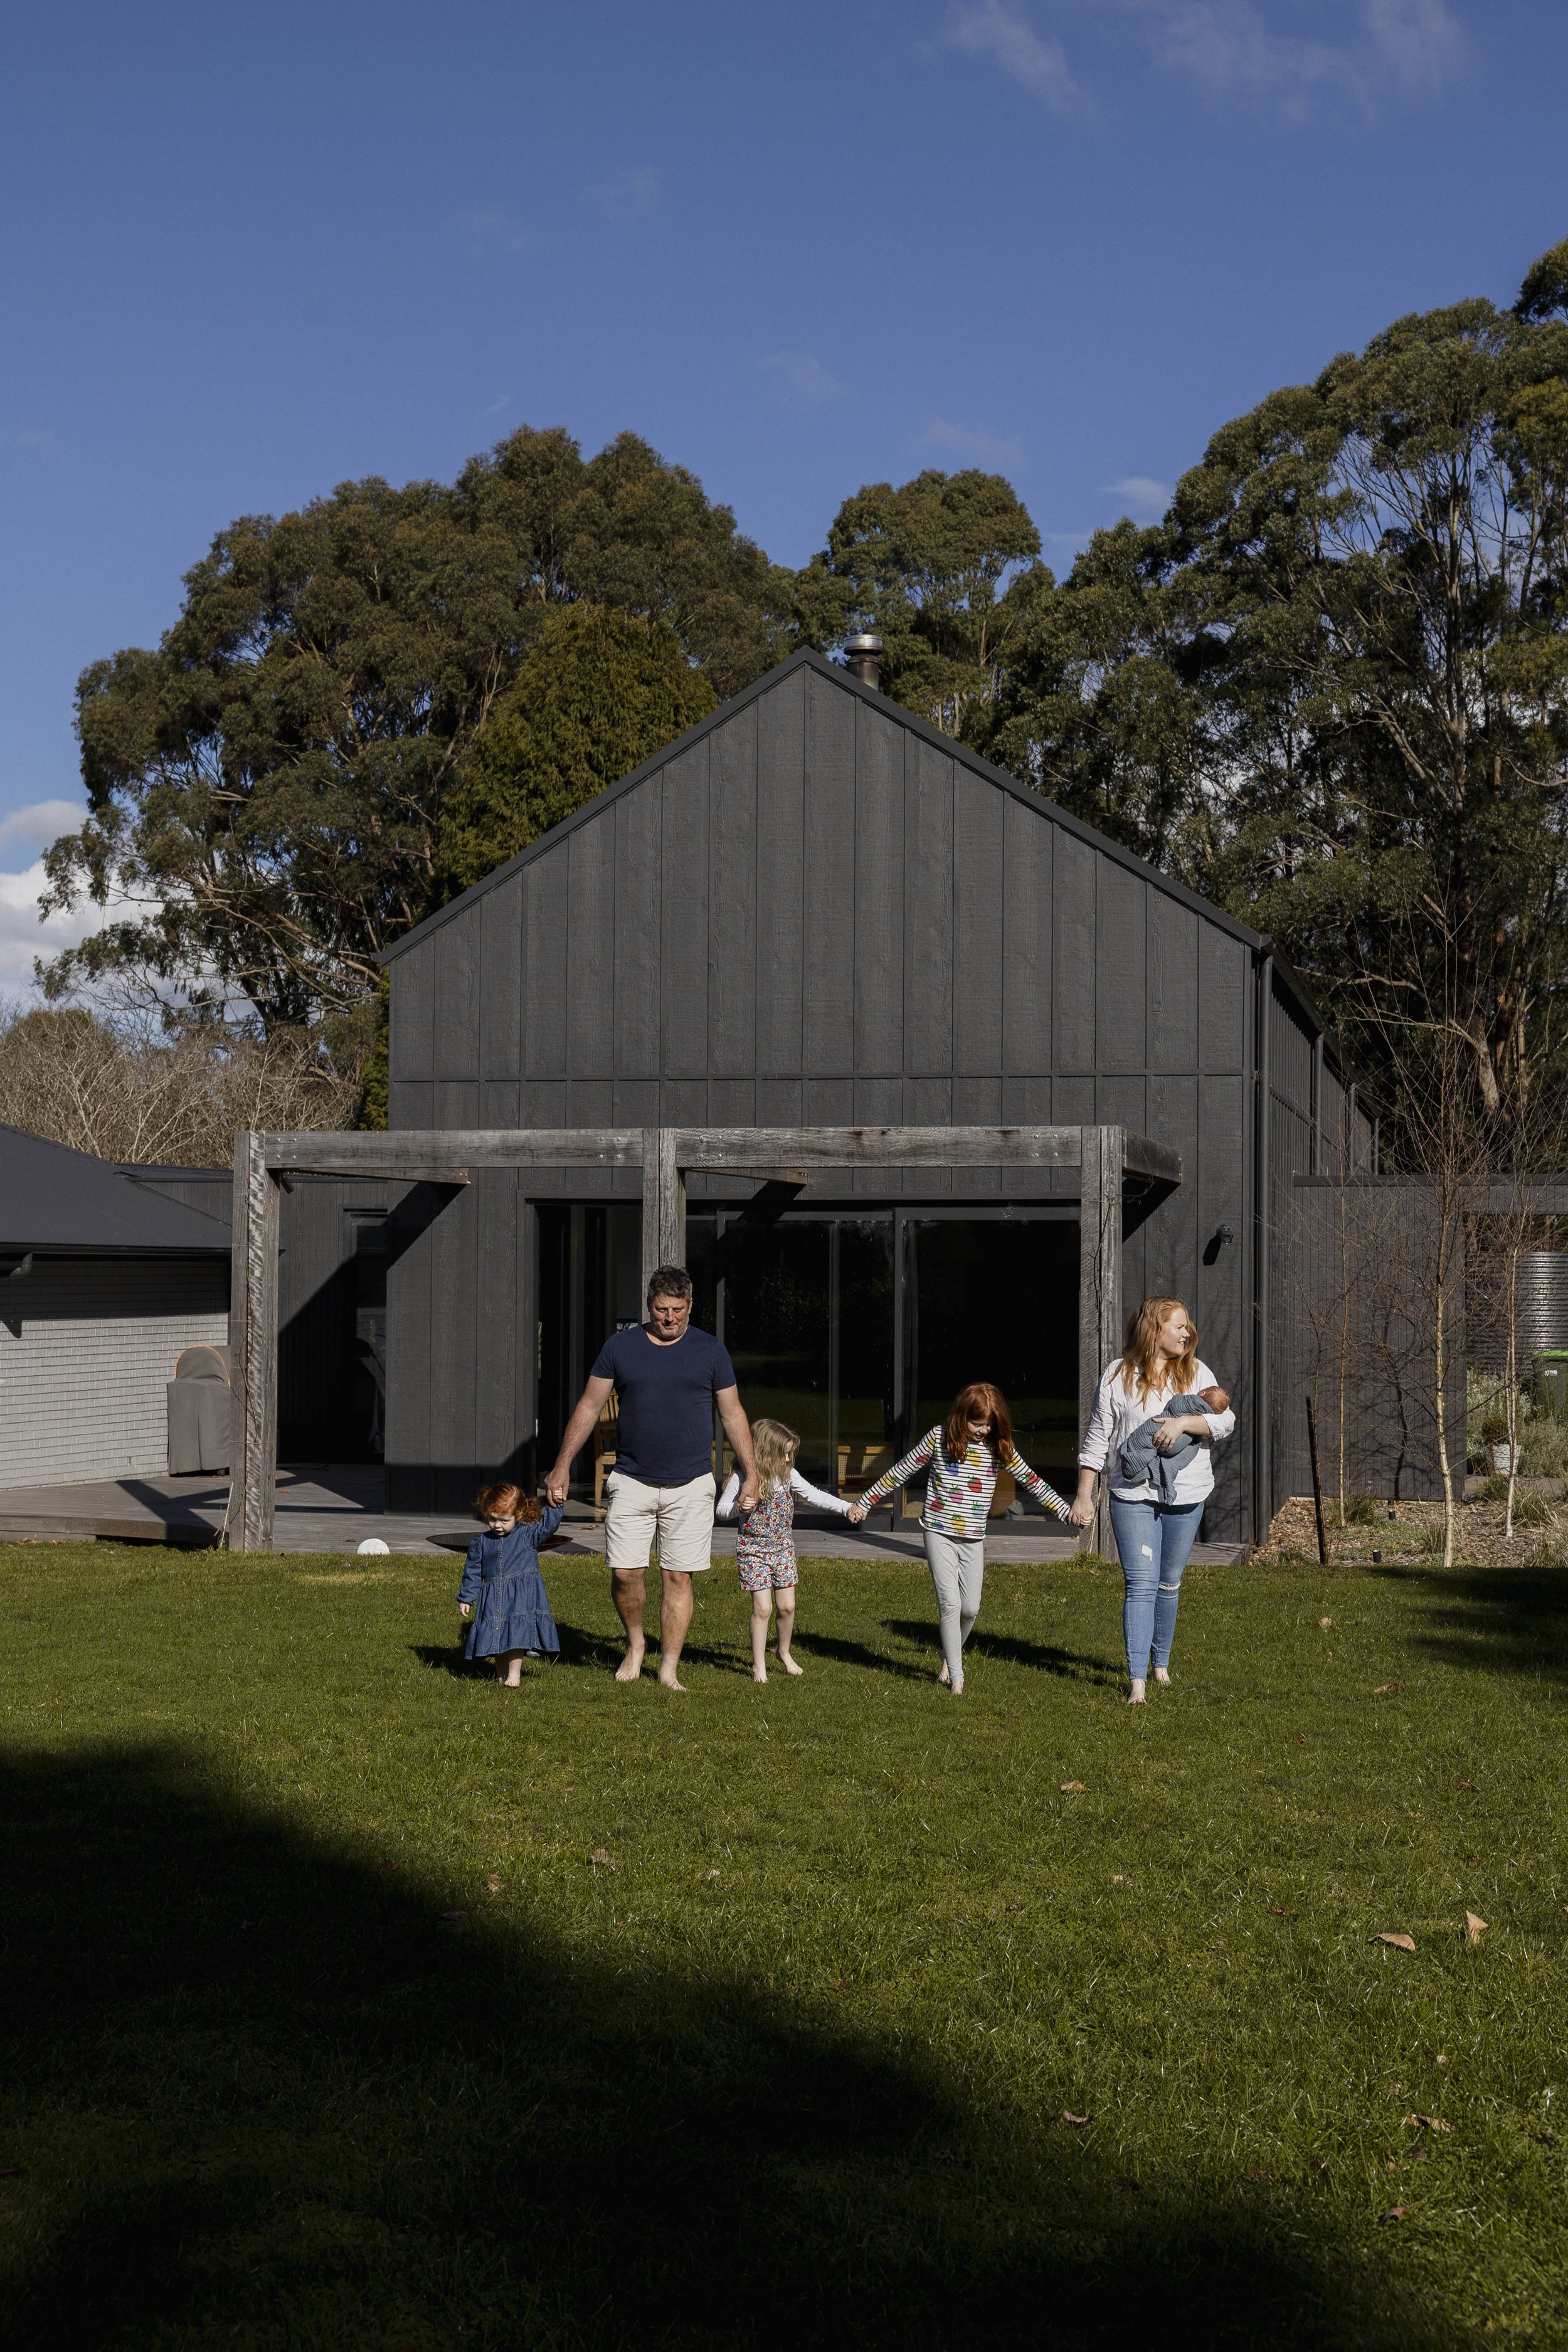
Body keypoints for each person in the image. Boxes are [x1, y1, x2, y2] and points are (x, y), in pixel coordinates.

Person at [544, 1264, 758, 1692]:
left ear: (691, 1305)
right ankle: (637, 1644)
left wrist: (750, 1473)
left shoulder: (711, 1351)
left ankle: (669, 1668)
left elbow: (732, 1413)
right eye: (662, 1309)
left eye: (678, 1310)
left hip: (692, 1483)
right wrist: (562, 1464)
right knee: (625, 1574)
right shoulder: (620, 1347)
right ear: (650, 1306)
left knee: (678, 1577)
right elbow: (589, 1406)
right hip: (632, 1480)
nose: (670, 1318)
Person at [1068, 1297, 1235, 1705]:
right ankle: (1137, 1682)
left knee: (1168, 1582)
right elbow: (1096, 1439)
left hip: (1187, 1494)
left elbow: (1225, 1420)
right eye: (1179, 1326)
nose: (1187, 1332)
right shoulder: (1117, 1375)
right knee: (1141, 1584)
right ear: (1154, 1330)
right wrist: (1084, 1495)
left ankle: (1161, 1664)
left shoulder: (1196, 1372)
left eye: (1187, 1326)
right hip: (1131, 1495)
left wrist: (1182, 1423)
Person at [857, 1384, 1072, 1696]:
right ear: (961, 1416)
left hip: (973, 1539)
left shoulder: (1000, 1449)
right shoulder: (938, 1439)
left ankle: (949, 1650)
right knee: (950, 1604)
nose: (983, 1431)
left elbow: (1033, 1482)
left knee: (970, 1608)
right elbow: (901, 1471)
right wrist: (864, 1502)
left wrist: (1066, 1513)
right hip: (938, 1532)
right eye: (977, 1423)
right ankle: (956, 1676)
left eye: (989, 1425)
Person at [716, 1416, 859, 1682]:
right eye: (785, 1453)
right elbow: (721, 1510)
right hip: (753, 1549)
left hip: (783, 1549)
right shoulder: (743, 1476)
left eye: (791, 1454)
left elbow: (814, 1495)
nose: (789, 1459)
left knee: (787, 1607)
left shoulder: (788, 1475)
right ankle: (759, 1665)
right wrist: (739, 1507)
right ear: (767, 1452)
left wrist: (846, 1507)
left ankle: (783, 1651)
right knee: (763, 1608)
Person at [457, 1482, 563, 1686]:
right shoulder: (481, 1542)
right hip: (493, 1596)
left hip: (519, 1597)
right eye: (492, 1520)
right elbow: (473, 1570)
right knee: (497, 1635)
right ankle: (500, 1674)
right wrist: (467, 1598)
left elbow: (549, 1525)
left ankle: (514, 1674)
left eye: (504, 1521)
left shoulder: (528, 1535)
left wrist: (556, 1503)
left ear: (519, 1515)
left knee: (516, 1635)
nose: (497, 1525)